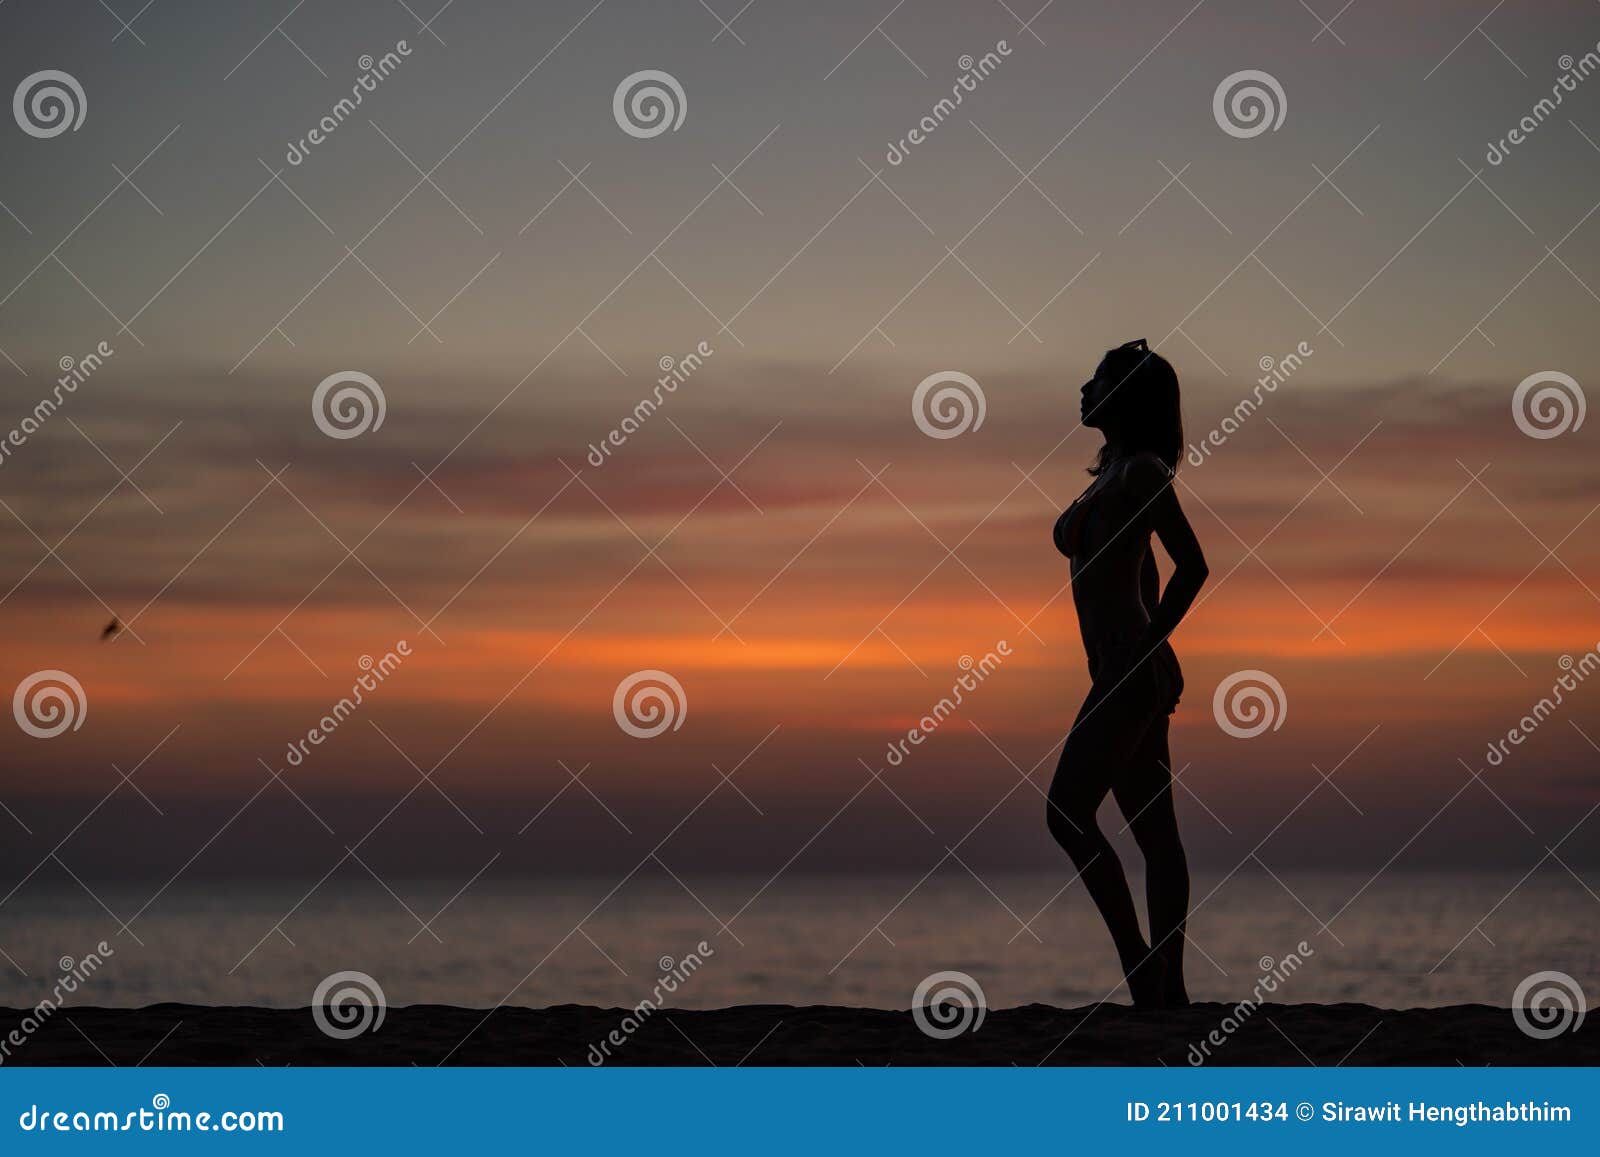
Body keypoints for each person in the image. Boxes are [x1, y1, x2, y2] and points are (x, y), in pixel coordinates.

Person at [1047, 339, 1209, 1008]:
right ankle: (1166, 988)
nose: (1085, 389)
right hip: (1125, 670)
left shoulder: (1142, 471)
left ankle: (1145, 974)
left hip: (1128, 670)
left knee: (1066, 812)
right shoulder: (1111, 476)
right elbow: (1139, 569)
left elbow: (1192, 565)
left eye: (1100, 380)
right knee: (1155, 834)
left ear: (1127, 399)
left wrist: (1147, 643)